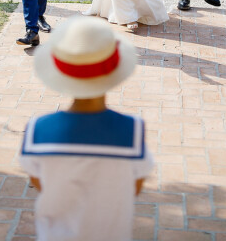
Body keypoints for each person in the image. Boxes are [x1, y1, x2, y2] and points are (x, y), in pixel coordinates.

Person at [20, 16, 154, 241]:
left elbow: (40, 183)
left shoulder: (38, 131)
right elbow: (135, 187)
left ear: (60, 71)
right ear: (113, 70)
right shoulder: (132, 131)